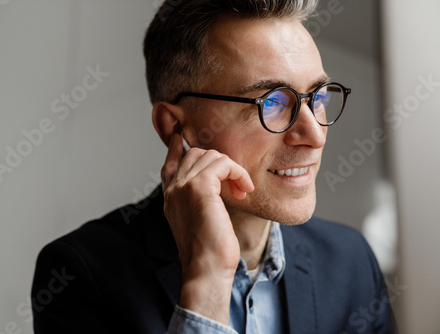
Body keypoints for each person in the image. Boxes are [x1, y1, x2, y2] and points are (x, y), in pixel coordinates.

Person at [31, 0, 397, 333]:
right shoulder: (80, 274)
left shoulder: (350, 260)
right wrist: (206, 283)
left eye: (317, 97)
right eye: (272, 103)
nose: (314, 135)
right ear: (175, 126)